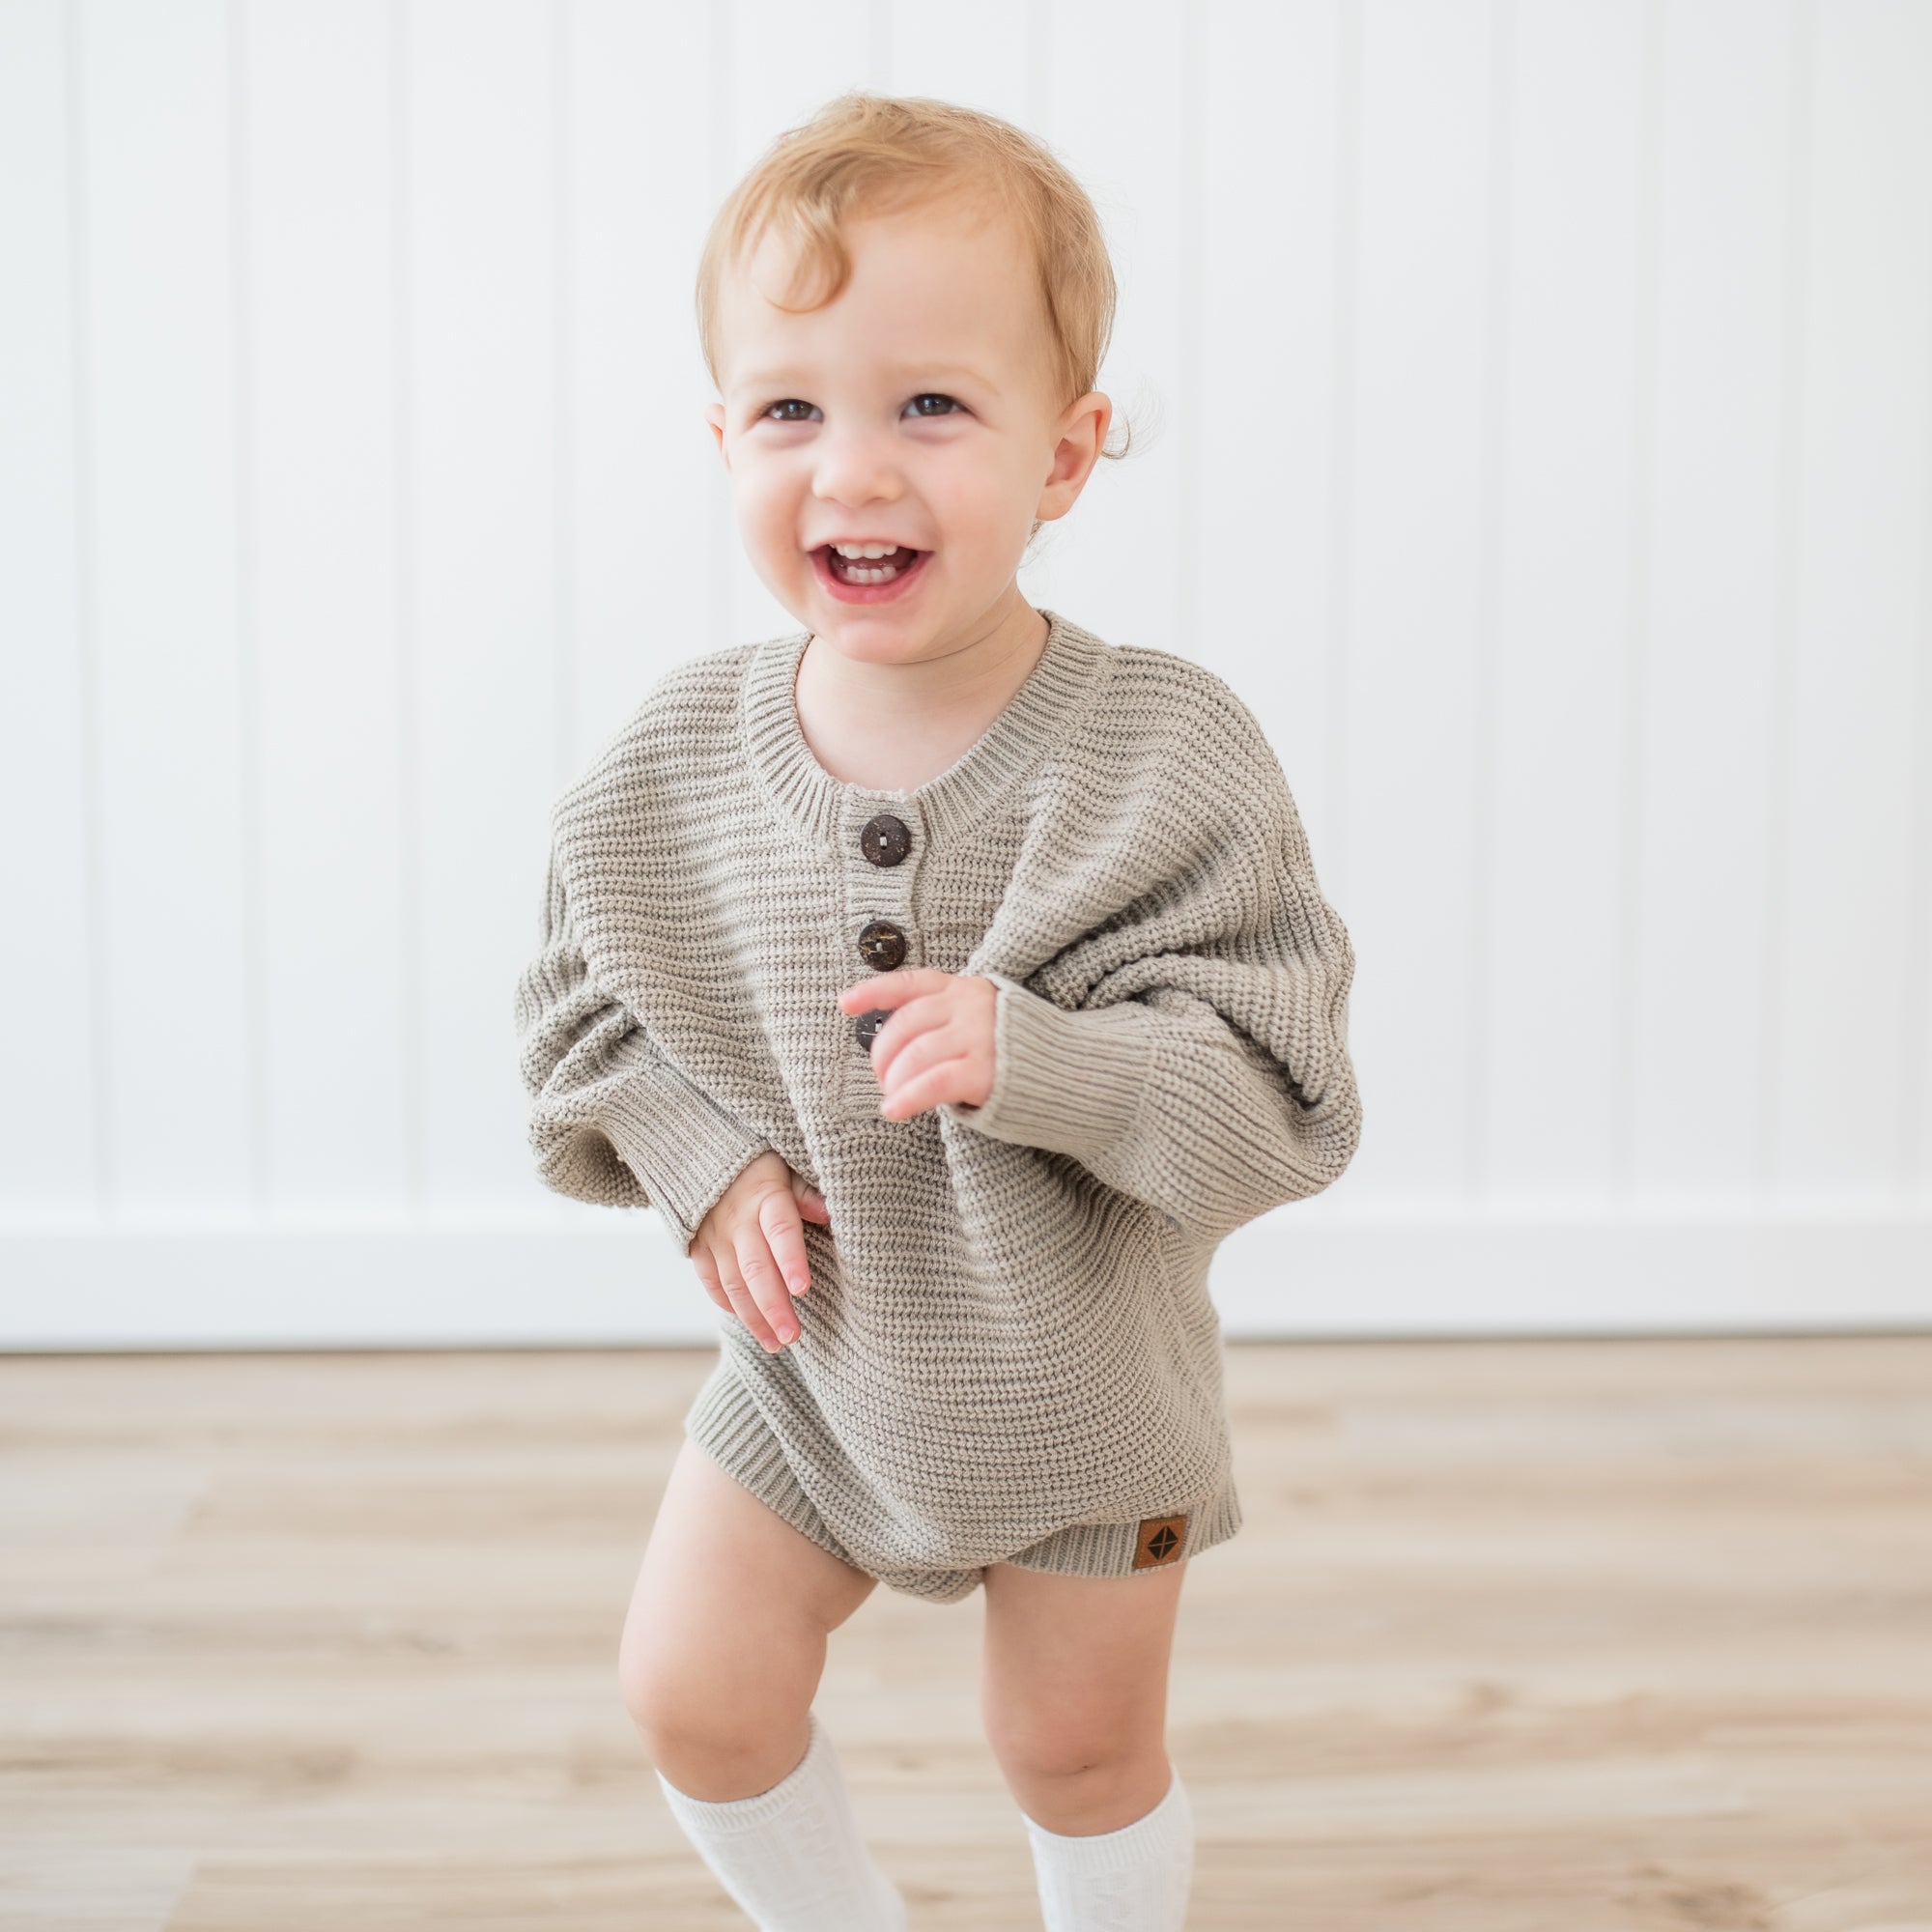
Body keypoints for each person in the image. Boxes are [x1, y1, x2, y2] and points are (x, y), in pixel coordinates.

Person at [512, 89, 1363, 1932]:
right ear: (722, 436)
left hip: (1085, 1400)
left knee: (1073, 1751)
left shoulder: (1164, 758)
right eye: (790, 410)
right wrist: (702, 1163)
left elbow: (1284, 1099)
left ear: (1067, 453)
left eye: (931, 407)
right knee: (693, 1690)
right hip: (814, 1375)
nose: (855, 471)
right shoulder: (671, 767)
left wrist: (1045, 1060)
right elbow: (582, 1013)